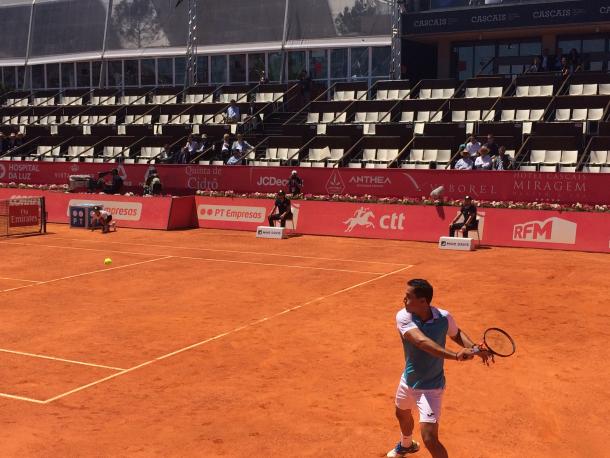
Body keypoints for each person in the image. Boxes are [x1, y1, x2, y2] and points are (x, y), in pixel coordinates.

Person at [386, 279, 491, 458]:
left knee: (429, 439)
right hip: (408, 380)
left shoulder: (443, 317)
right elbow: (421, 342)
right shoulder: (404, 316)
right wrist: (456, 355)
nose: (404, 300)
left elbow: (456, 333)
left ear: (423, 302)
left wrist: (475, 348)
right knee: (401, 414)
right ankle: (406, 444)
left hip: (431, 387)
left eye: (408, 297)